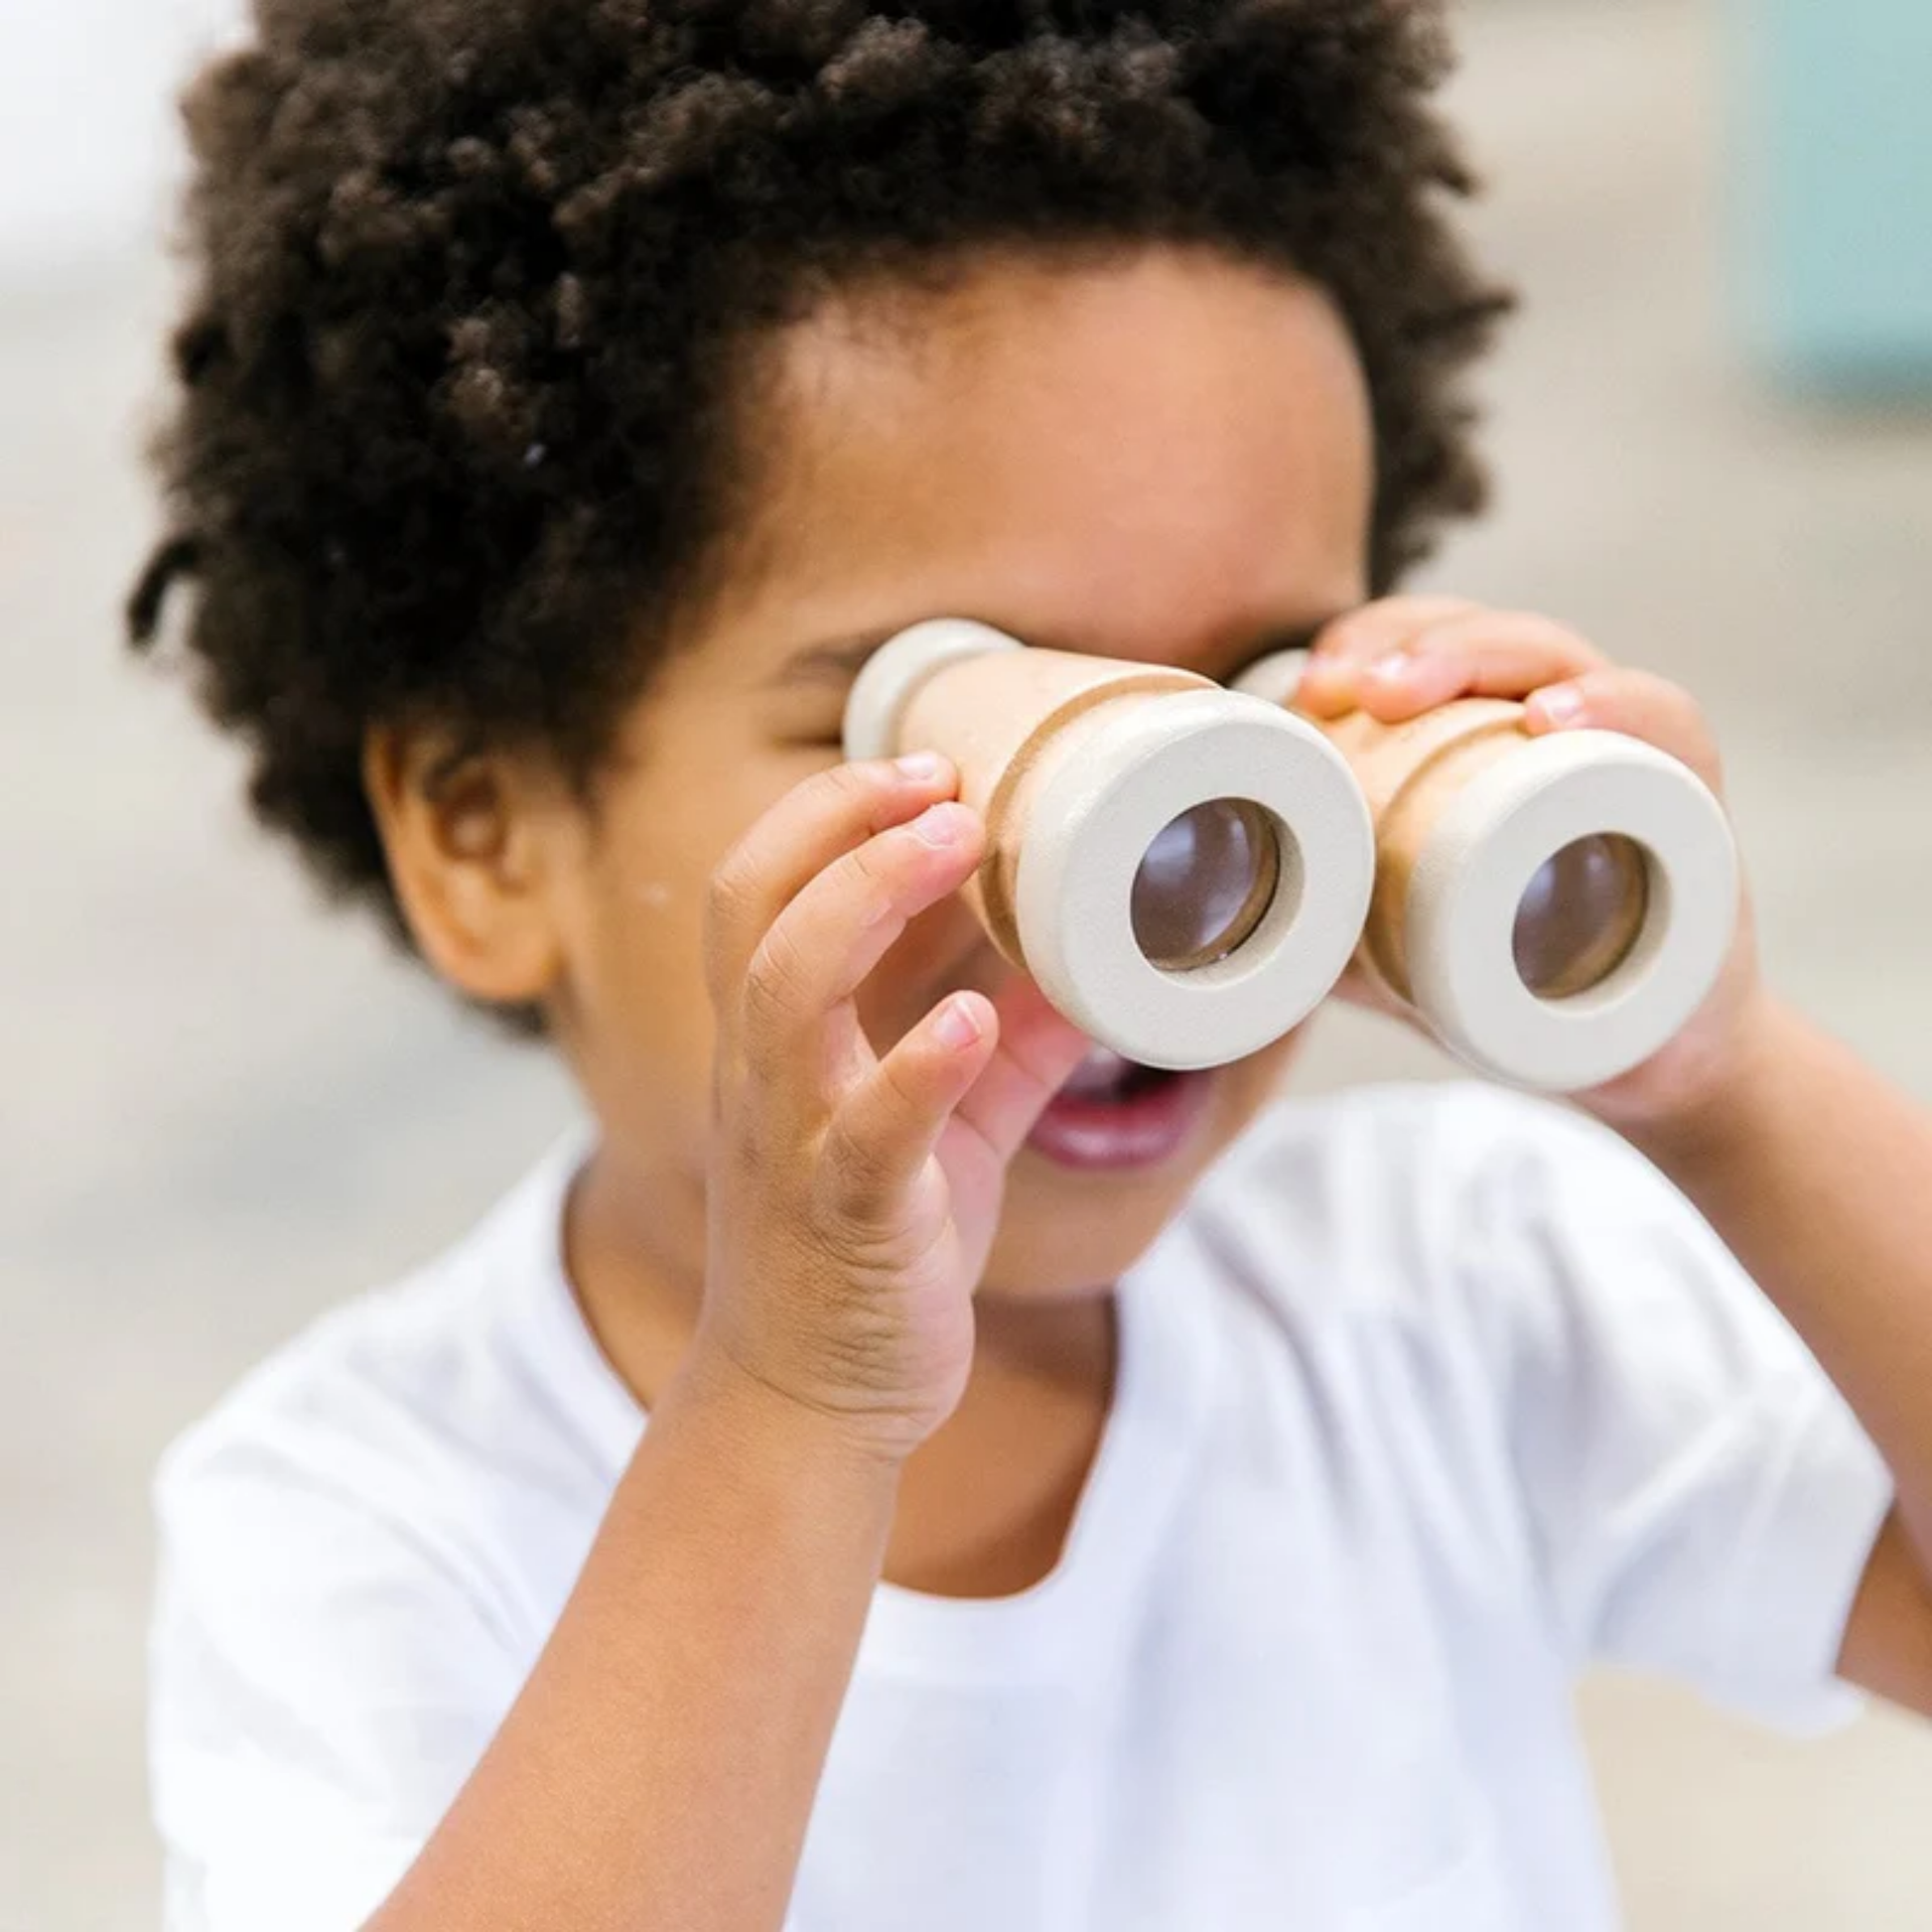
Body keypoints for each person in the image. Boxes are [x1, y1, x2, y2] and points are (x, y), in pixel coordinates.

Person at [128, 1, 1932, 1927]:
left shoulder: (1441, 1294)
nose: (1143, 915)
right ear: (489, 832)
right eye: (968, 730)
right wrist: (789, 1402)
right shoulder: (364, 1511)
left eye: (1254, 715)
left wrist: (1719, 1079)